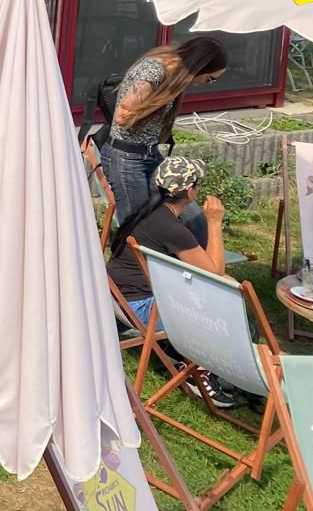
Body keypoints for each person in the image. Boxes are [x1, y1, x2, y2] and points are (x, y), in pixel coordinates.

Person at [105, 156, 236, 408]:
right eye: (197, 184)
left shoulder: (145, 213)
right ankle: (201, 371)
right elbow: (215, 271)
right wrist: (214, 222)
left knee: (220, 285)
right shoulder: (172, 228)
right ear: (190, 191)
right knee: (225, 294)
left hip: (115, 299)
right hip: (140, 310)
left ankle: (188, 358)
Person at [101, 37, 228, 247]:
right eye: (210, 79)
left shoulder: (173, 74)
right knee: (138, 230)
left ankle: (201, 263)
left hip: (150, 155)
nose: (208, 84)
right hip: (126, 159)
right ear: (200, 66)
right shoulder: (154, 71)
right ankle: (135, 266)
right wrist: (166, 94)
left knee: (194, 218)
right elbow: (123, 117)